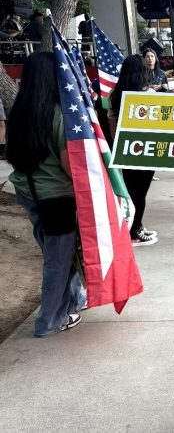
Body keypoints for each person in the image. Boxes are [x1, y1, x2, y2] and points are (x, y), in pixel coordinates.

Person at [6, 52, 86, 337]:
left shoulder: (18, 112)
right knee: (59, 258)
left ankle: (75, 299)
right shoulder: (58, 115)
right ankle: (50, 320)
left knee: (58, 252)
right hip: (58, 199)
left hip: (28, 192)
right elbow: (69, 165)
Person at [108, 55, 158, 246]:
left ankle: (131, 227)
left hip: (125, 150)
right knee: (140, 193)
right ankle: (135, 230)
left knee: (129, 191)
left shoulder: (115, 94)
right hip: (147, 150)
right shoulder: (149, 96)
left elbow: (111, 120)